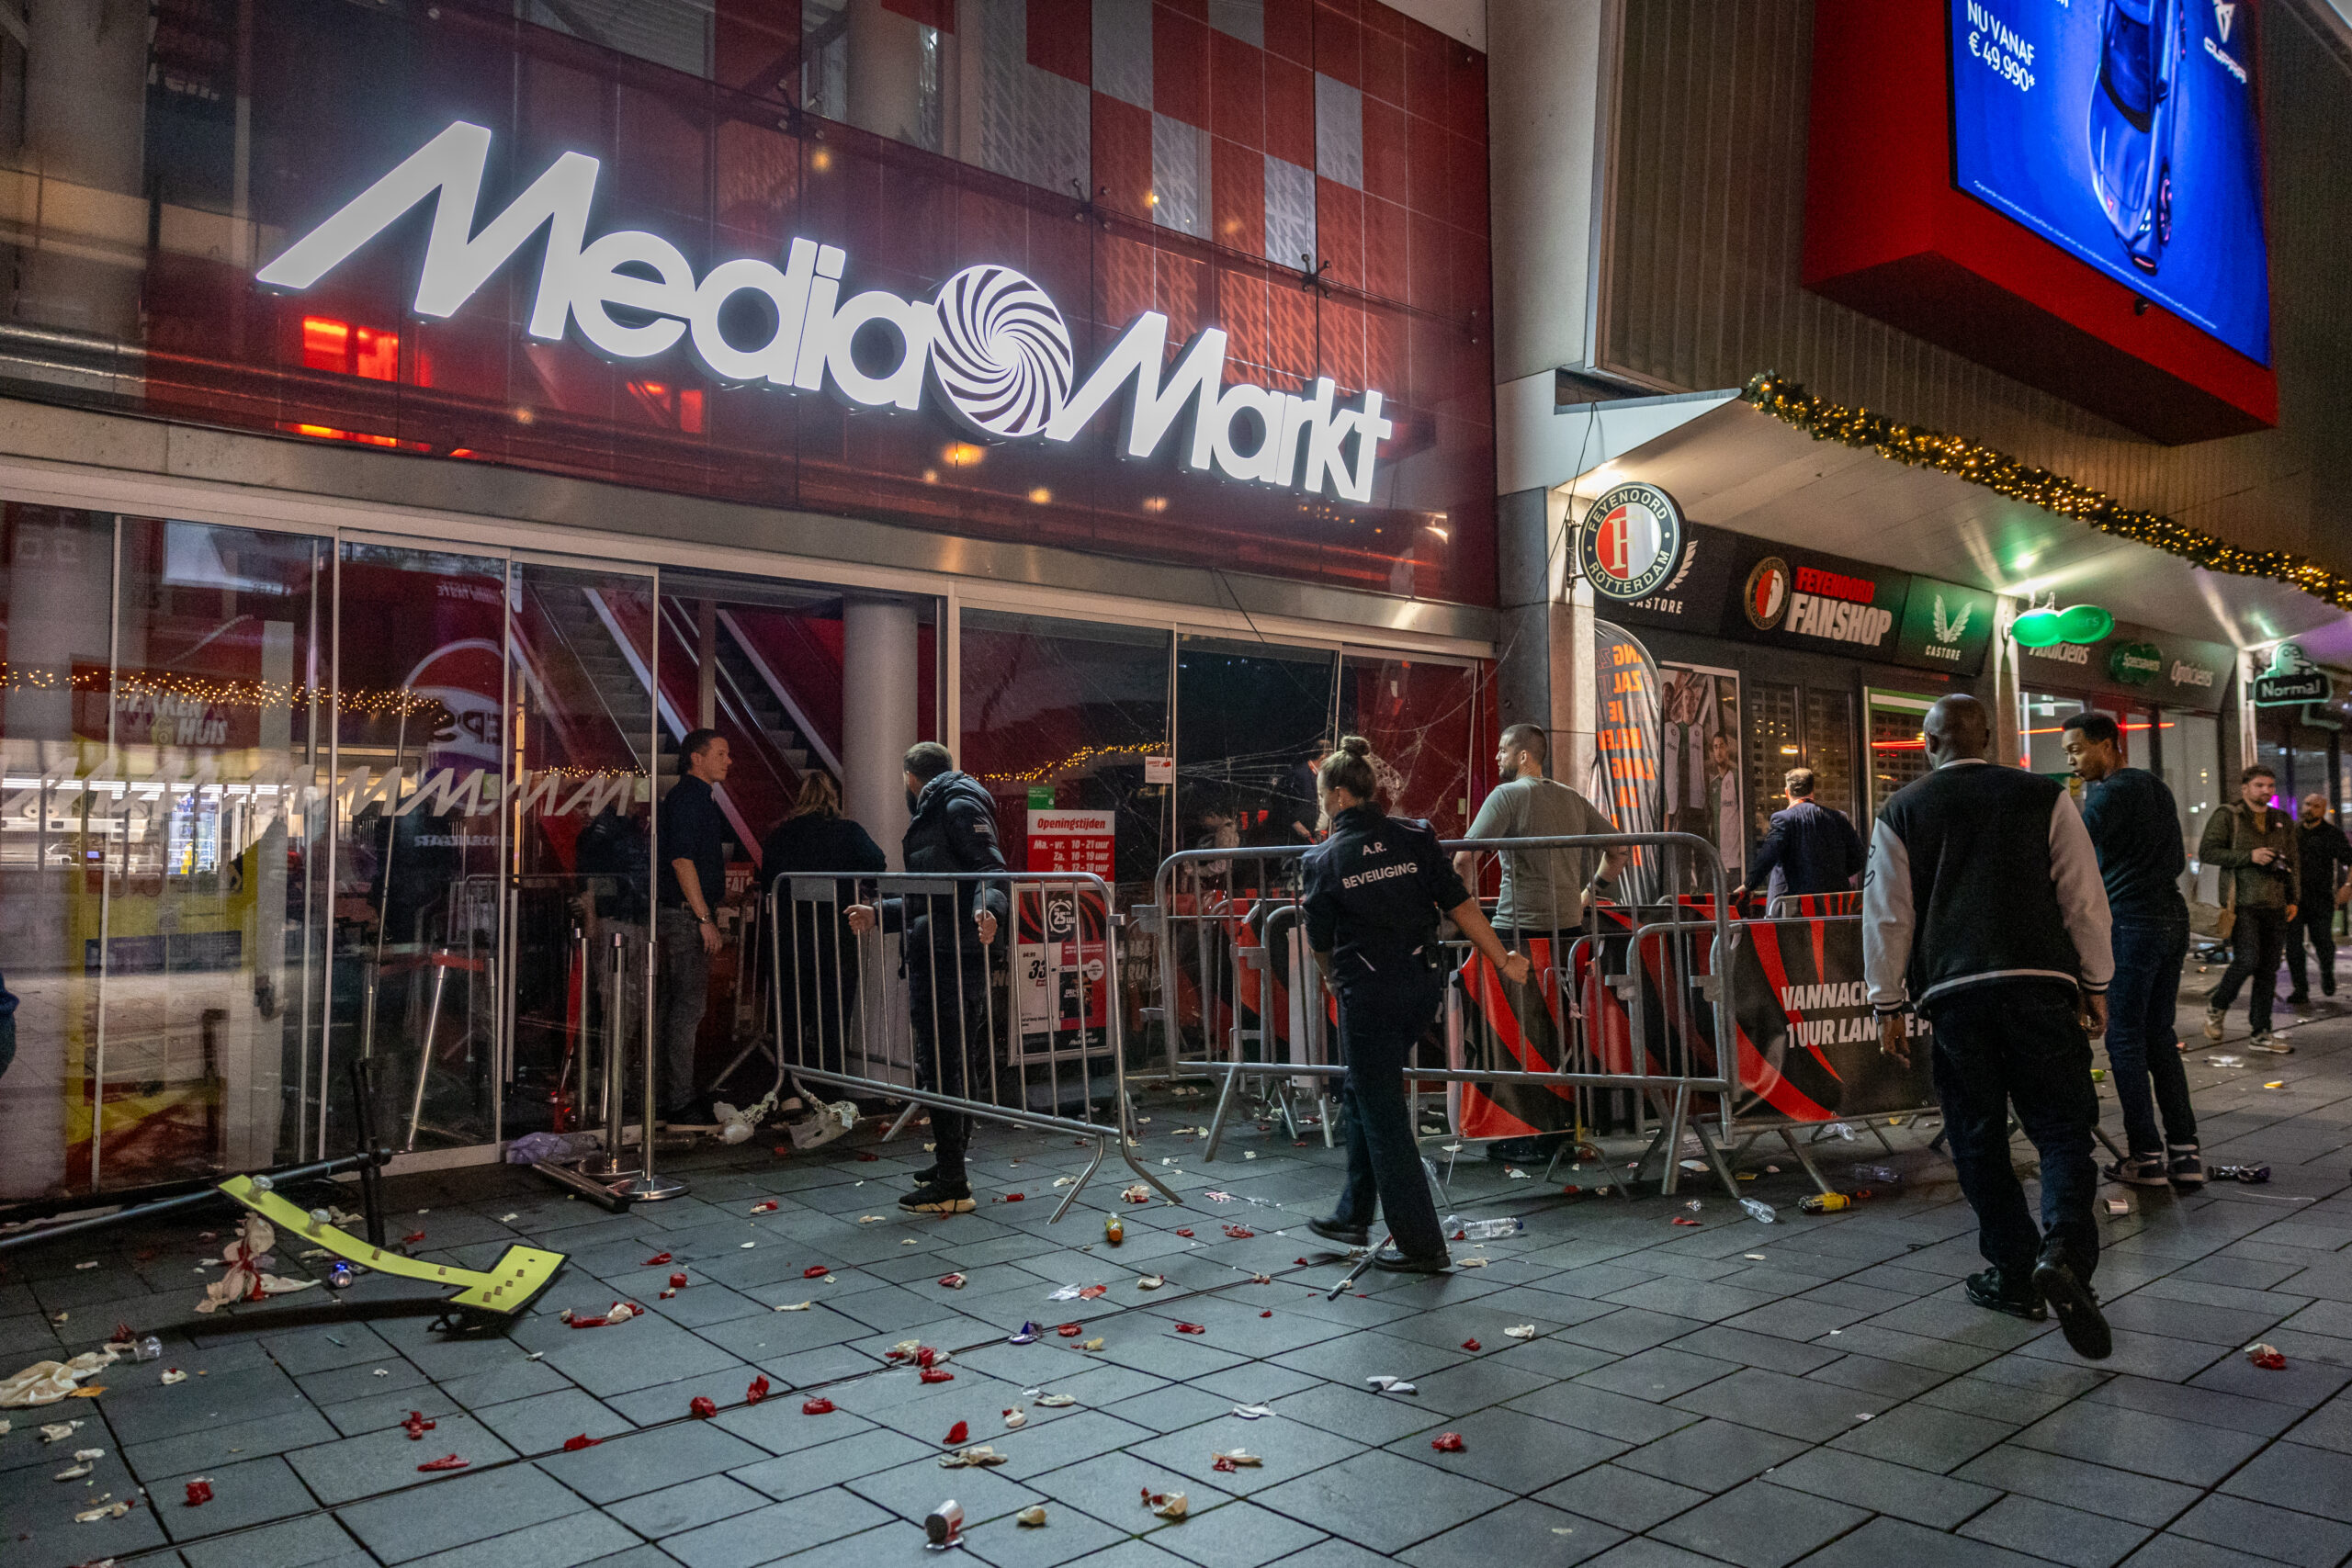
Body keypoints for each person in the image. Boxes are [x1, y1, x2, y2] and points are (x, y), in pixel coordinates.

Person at [1864, 694, 2112, 1359]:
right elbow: (2083, 897)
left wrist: (1887, 1003)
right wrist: (2097, 983)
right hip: (2041, 987)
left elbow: (1887, 914)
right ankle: (2065, 1252)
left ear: (1927, 744)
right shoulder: (2045, 796)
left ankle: (2013, 1270)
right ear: (1990, 738)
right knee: (2062, 1128)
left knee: (1976, 1136)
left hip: (1955, 996)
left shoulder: (1902, 810)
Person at [1306, 737, 1534, 1272]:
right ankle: (1353, 1213)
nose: (1321, 804)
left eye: (1321, 796)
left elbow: (1320, 941)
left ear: (1338, 796)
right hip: (1420, 987)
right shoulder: (1414, 836)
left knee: (1381, 1111)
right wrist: (1503, 959)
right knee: (1364, 1090)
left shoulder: (1323, 858)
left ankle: (1421, 1243)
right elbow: (1460, 904)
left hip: (1368, 995)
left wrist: (1331, 980)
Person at [846, 742, 1007, 1214]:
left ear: (910, 778)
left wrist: (988, 910)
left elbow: (990, 870)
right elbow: (930, 897)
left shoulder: (955, 806)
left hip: (951, 955)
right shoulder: (943, 807)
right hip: (941, 949)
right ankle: (948, 1164)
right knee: (946, 1063)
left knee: (943, 1064)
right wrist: (880, 914)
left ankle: (954, 1181)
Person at [1451, 723, 1622, 1163]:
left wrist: (1466, 914)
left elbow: (1464, 857)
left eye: (1503, 750)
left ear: (1524, 755)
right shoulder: (1572, 798)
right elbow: (1619, 849)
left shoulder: (1506, 796)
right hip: (1568, 936)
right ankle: (1562, 1128)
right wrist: (1588, 895)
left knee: (1515, 1040)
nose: (1497, 757)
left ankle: (1524, 1133)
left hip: (1517, 934)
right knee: (1560, 1037)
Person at [2061, 713, 2200, 1189]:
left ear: (2107, 744)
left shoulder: (2109, 794)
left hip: (2131, 920)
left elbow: (2072, 849)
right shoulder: (2154, 787)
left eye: (2077, 749)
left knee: (2123, 1037)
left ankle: (2145, 1156)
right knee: (2159, 1034)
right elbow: (2174, 857)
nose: (2072, 761)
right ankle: (2185, 1154)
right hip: (2171, 916)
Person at [759, 773, 888, 1079]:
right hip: (835, 937)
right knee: (833, 1017)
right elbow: (877, 863)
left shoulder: (781, 834)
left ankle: (789, 1087)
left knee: (790, 1015)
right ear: (833, 798)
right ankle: (830, 1085)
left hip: (790, 938)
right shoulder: (848, 831)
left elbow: (767, 882)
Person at [656, 729, 734, 1122]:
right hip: (686, 915)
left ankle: (668, 1094)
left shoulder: (690, 798)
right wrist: (704, 917)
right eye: (720, 753)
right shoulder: (691, 799)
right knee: (687, 1009)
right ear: (696, 758)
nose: (728, 761)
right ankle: (679, 1100)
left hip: (682, 911)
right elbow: (682, 861)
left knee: (674, 1009)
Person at [2200, 766, 2299, 1051]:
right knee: (2246, 960)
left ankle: (2261, 1032)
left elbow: (2293, 861)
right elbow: (2208, 851)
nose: (2266, 790)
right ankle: (2218, 1005)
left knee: (2269, 969)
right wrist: (2249, 856)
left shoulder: (2281, 819)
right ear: (2245, 788)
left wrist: (2294, 898)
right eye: (2259, 785)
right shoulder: (2229, 815)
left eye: (2270, 785)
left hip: (2275, 902)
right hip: (2242, 902)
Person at [1734, 767, 1866, 905]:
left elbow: (1767, 857)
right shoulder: (1839, 817)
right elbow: (1859, 858)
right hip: (1834, 905)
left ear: (1787, 792)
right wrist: (1832, 876)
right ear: (1813, 790)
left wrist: (1748, 885)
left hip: (1793, 905)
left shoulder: (1782, 819)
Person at [2287, 792, 2351, 1007]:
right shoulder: (2293, 832)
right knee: (2293, 945)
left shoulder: (2332, 834)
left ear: (2323, 810)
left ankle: (2327, 972)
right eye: (2307, 804)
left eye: (2316, 806)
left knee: (2322, 940)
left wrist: (2347, 886)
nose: (2310, 809)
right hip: (2294, 898)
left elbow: (2349, 860)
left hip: (2320, 897)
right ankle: (2300, 989)